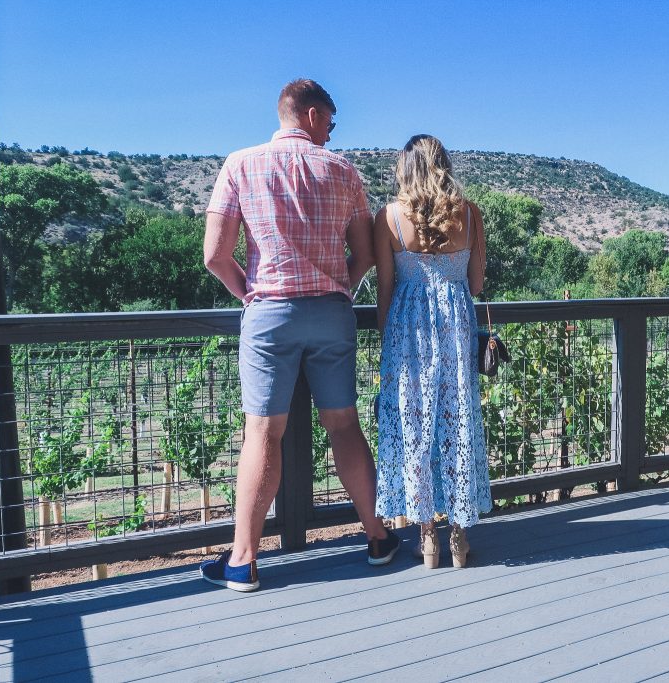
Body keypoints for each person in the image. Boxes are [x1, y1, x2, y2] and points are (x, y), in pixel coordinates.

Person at [200, 79, 399, 592]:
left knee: (263, 434)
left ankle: (244, 561)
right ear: (310, 115)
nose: (332, 132)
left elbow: (215, 256)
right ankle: (377, 537)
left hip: (271, 314)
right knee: (345, 426)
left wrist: (251, 294)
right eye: (330, 121)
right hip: (332, 315)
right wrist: (339, 288)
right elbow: (366, 254)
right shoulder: (344, 172)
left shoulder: (239, 164)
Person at [374, 134, 492, 569]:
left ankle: (427, 540)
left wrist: (387, 345)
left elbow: (386, 289)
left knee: (414, 422)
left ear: (406, 167)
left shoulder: (387, 218)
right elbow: (476, 285)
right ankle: (458, 536)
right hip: (456, 328)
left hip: (407, 332)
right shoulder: (470, 214)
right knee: (456, 417)